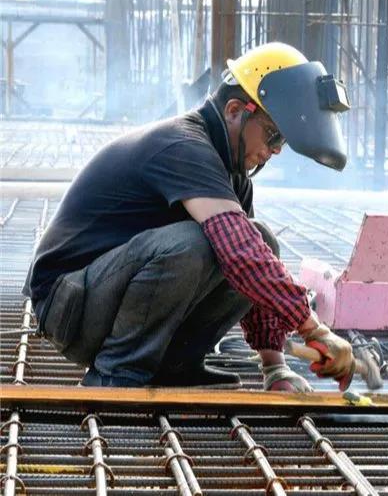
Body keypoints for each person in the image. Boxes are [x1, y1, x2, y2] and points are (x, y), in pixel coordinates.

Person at [23, 42, 355, 391]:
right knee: (200, 244)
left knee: (259, 240)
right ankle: (116, 373)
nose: (274, 151)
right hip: (68, 306)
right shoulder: (183, 146)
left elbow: (254, 264)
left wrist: (276, 370)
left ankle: (175, 366)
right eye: (273, 134)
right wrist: (313, 328)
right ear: (234, 110)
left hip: (103, 299)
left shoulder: (233, 176)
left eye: (282, 142)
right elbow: (238, 252)